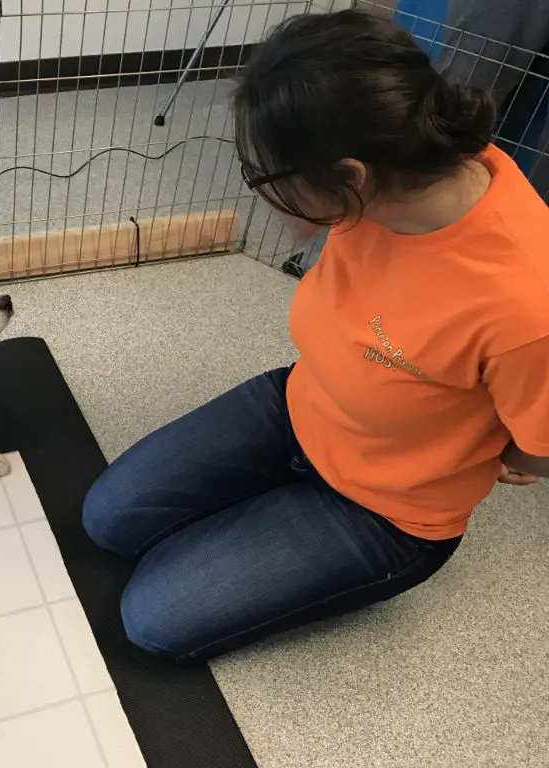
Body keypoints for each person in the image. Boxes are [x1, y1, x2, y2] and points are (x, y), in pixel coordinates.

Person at [82, 9, 549, 662]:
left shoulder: (526, 295)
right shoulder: (399, 167)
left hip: (385, 513)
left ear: (351, 177)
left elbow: (541, 446)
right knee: (105, 520)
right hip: (301, 406)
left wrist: (515, 451)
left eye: (264, 177)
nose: (255, 195)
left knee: (150, 619)